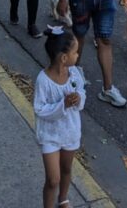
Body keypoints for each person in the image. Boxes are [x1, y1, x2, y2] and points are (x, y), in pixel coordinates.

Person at [34, 27, 86, 208]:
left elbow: (81, 92)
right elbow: (40, 109)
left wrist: (78, 98)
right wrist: (62, 105)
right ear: (64, 58)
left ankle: (63, 198)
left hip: (70, 131)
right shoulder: (43, 80)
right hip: (50, 135)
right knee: (53, 179)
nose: (77, 55)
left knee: (66, 169)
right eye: (75, 52)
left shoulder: (75, 73)